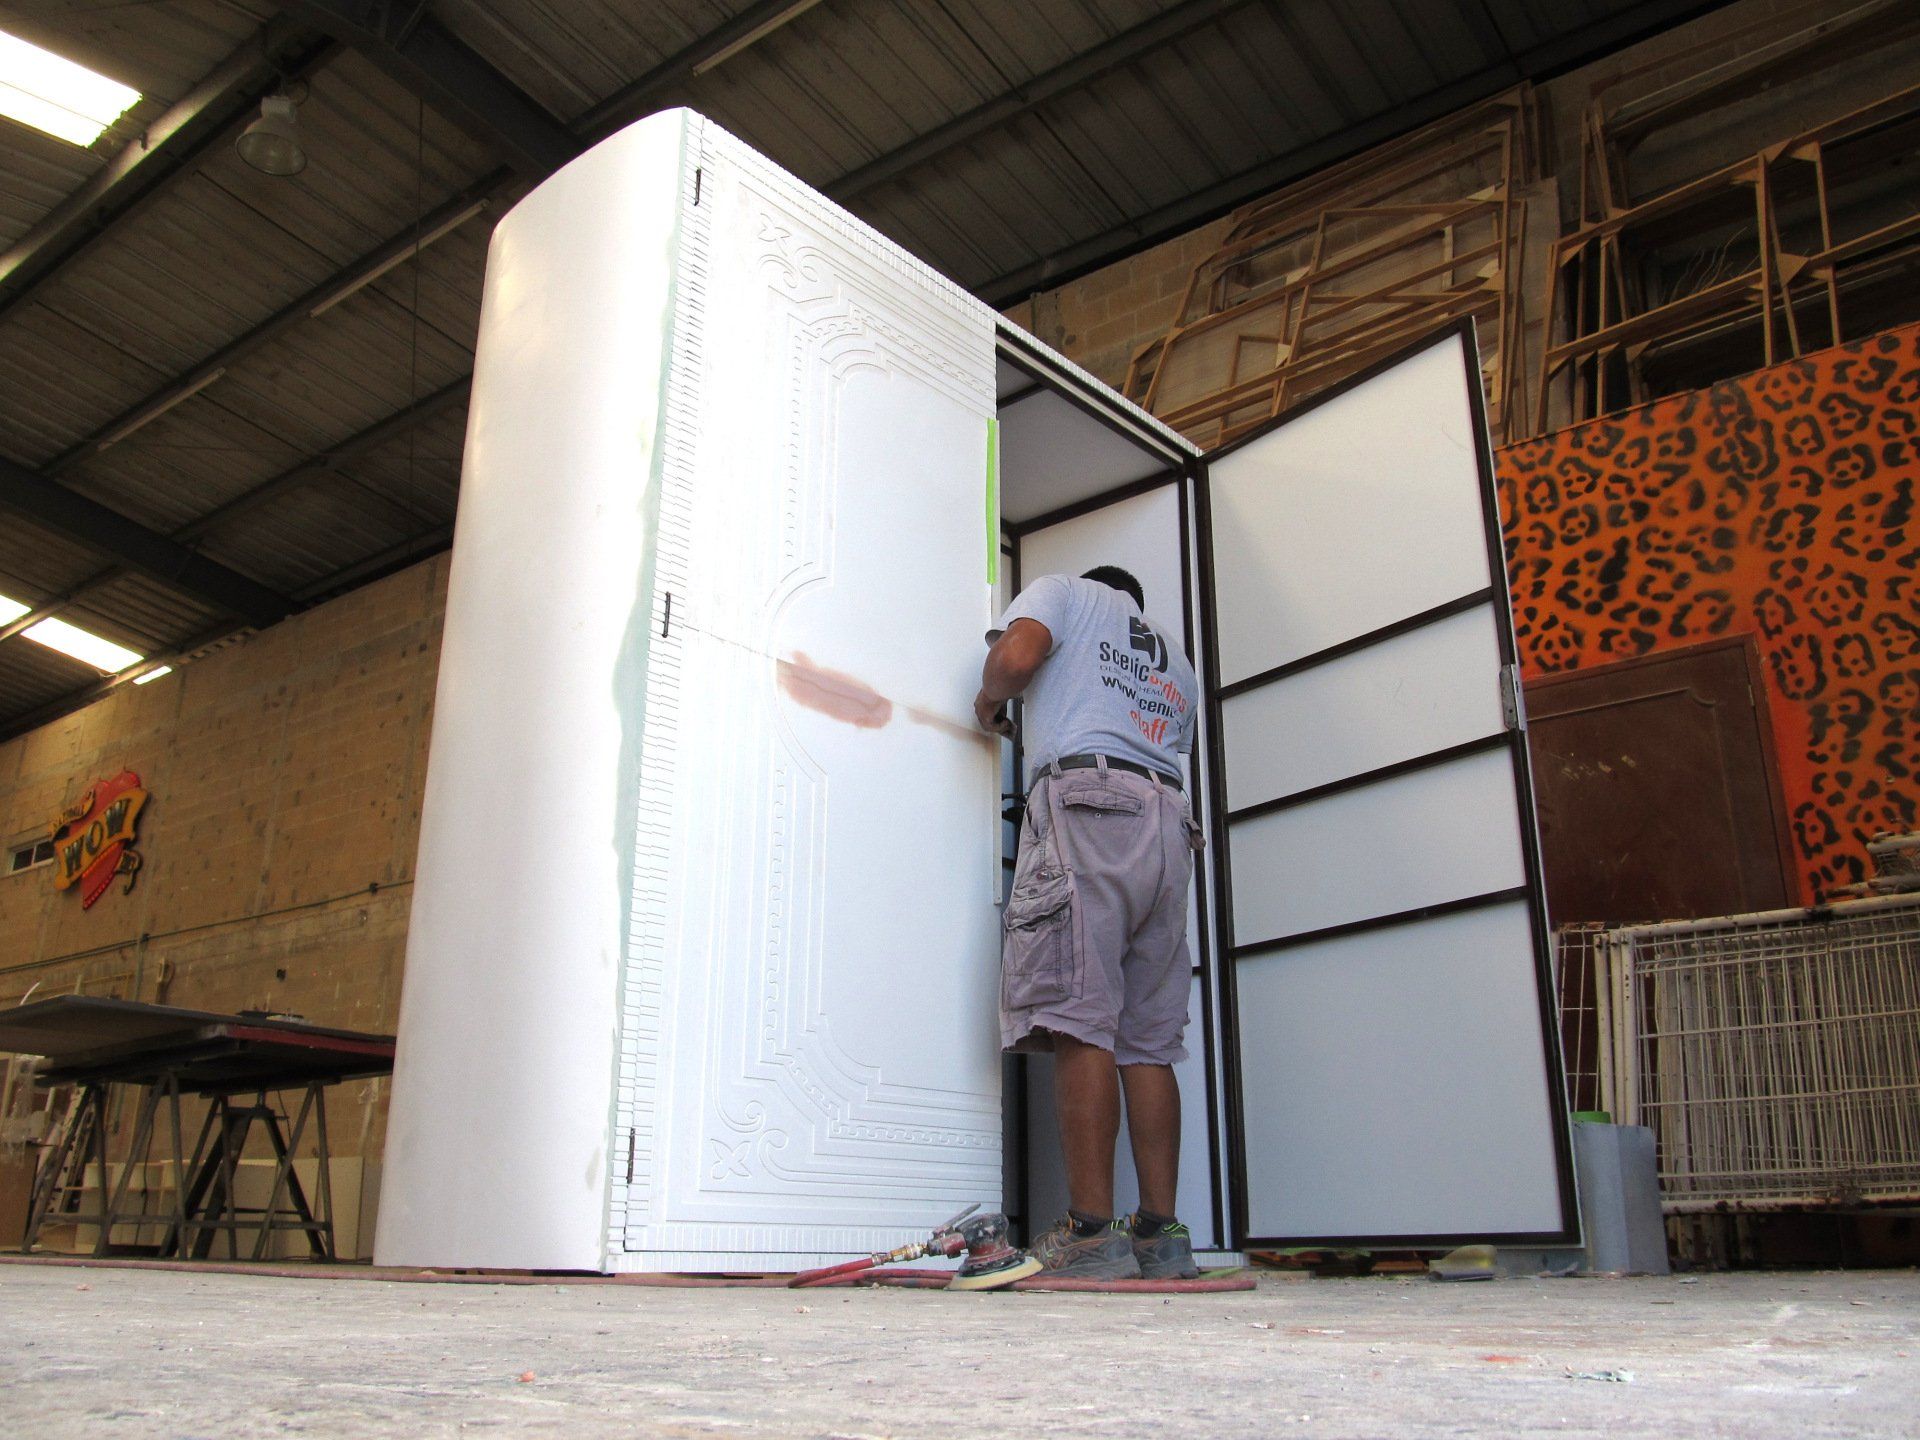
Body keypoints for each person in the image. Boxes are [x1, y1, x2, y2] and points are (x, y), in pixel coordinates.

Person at [974, 565, 1203, 1280]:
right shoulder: (1177, 661)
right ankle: (1161, 1236)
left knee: (1080, 1014)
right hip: (1170, 824)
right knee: (1149, 1039)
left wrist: (988, 703)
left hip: (1090, 805)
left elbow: (1016, 659)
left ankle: (1091, 1233)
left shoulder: (1067, 592)